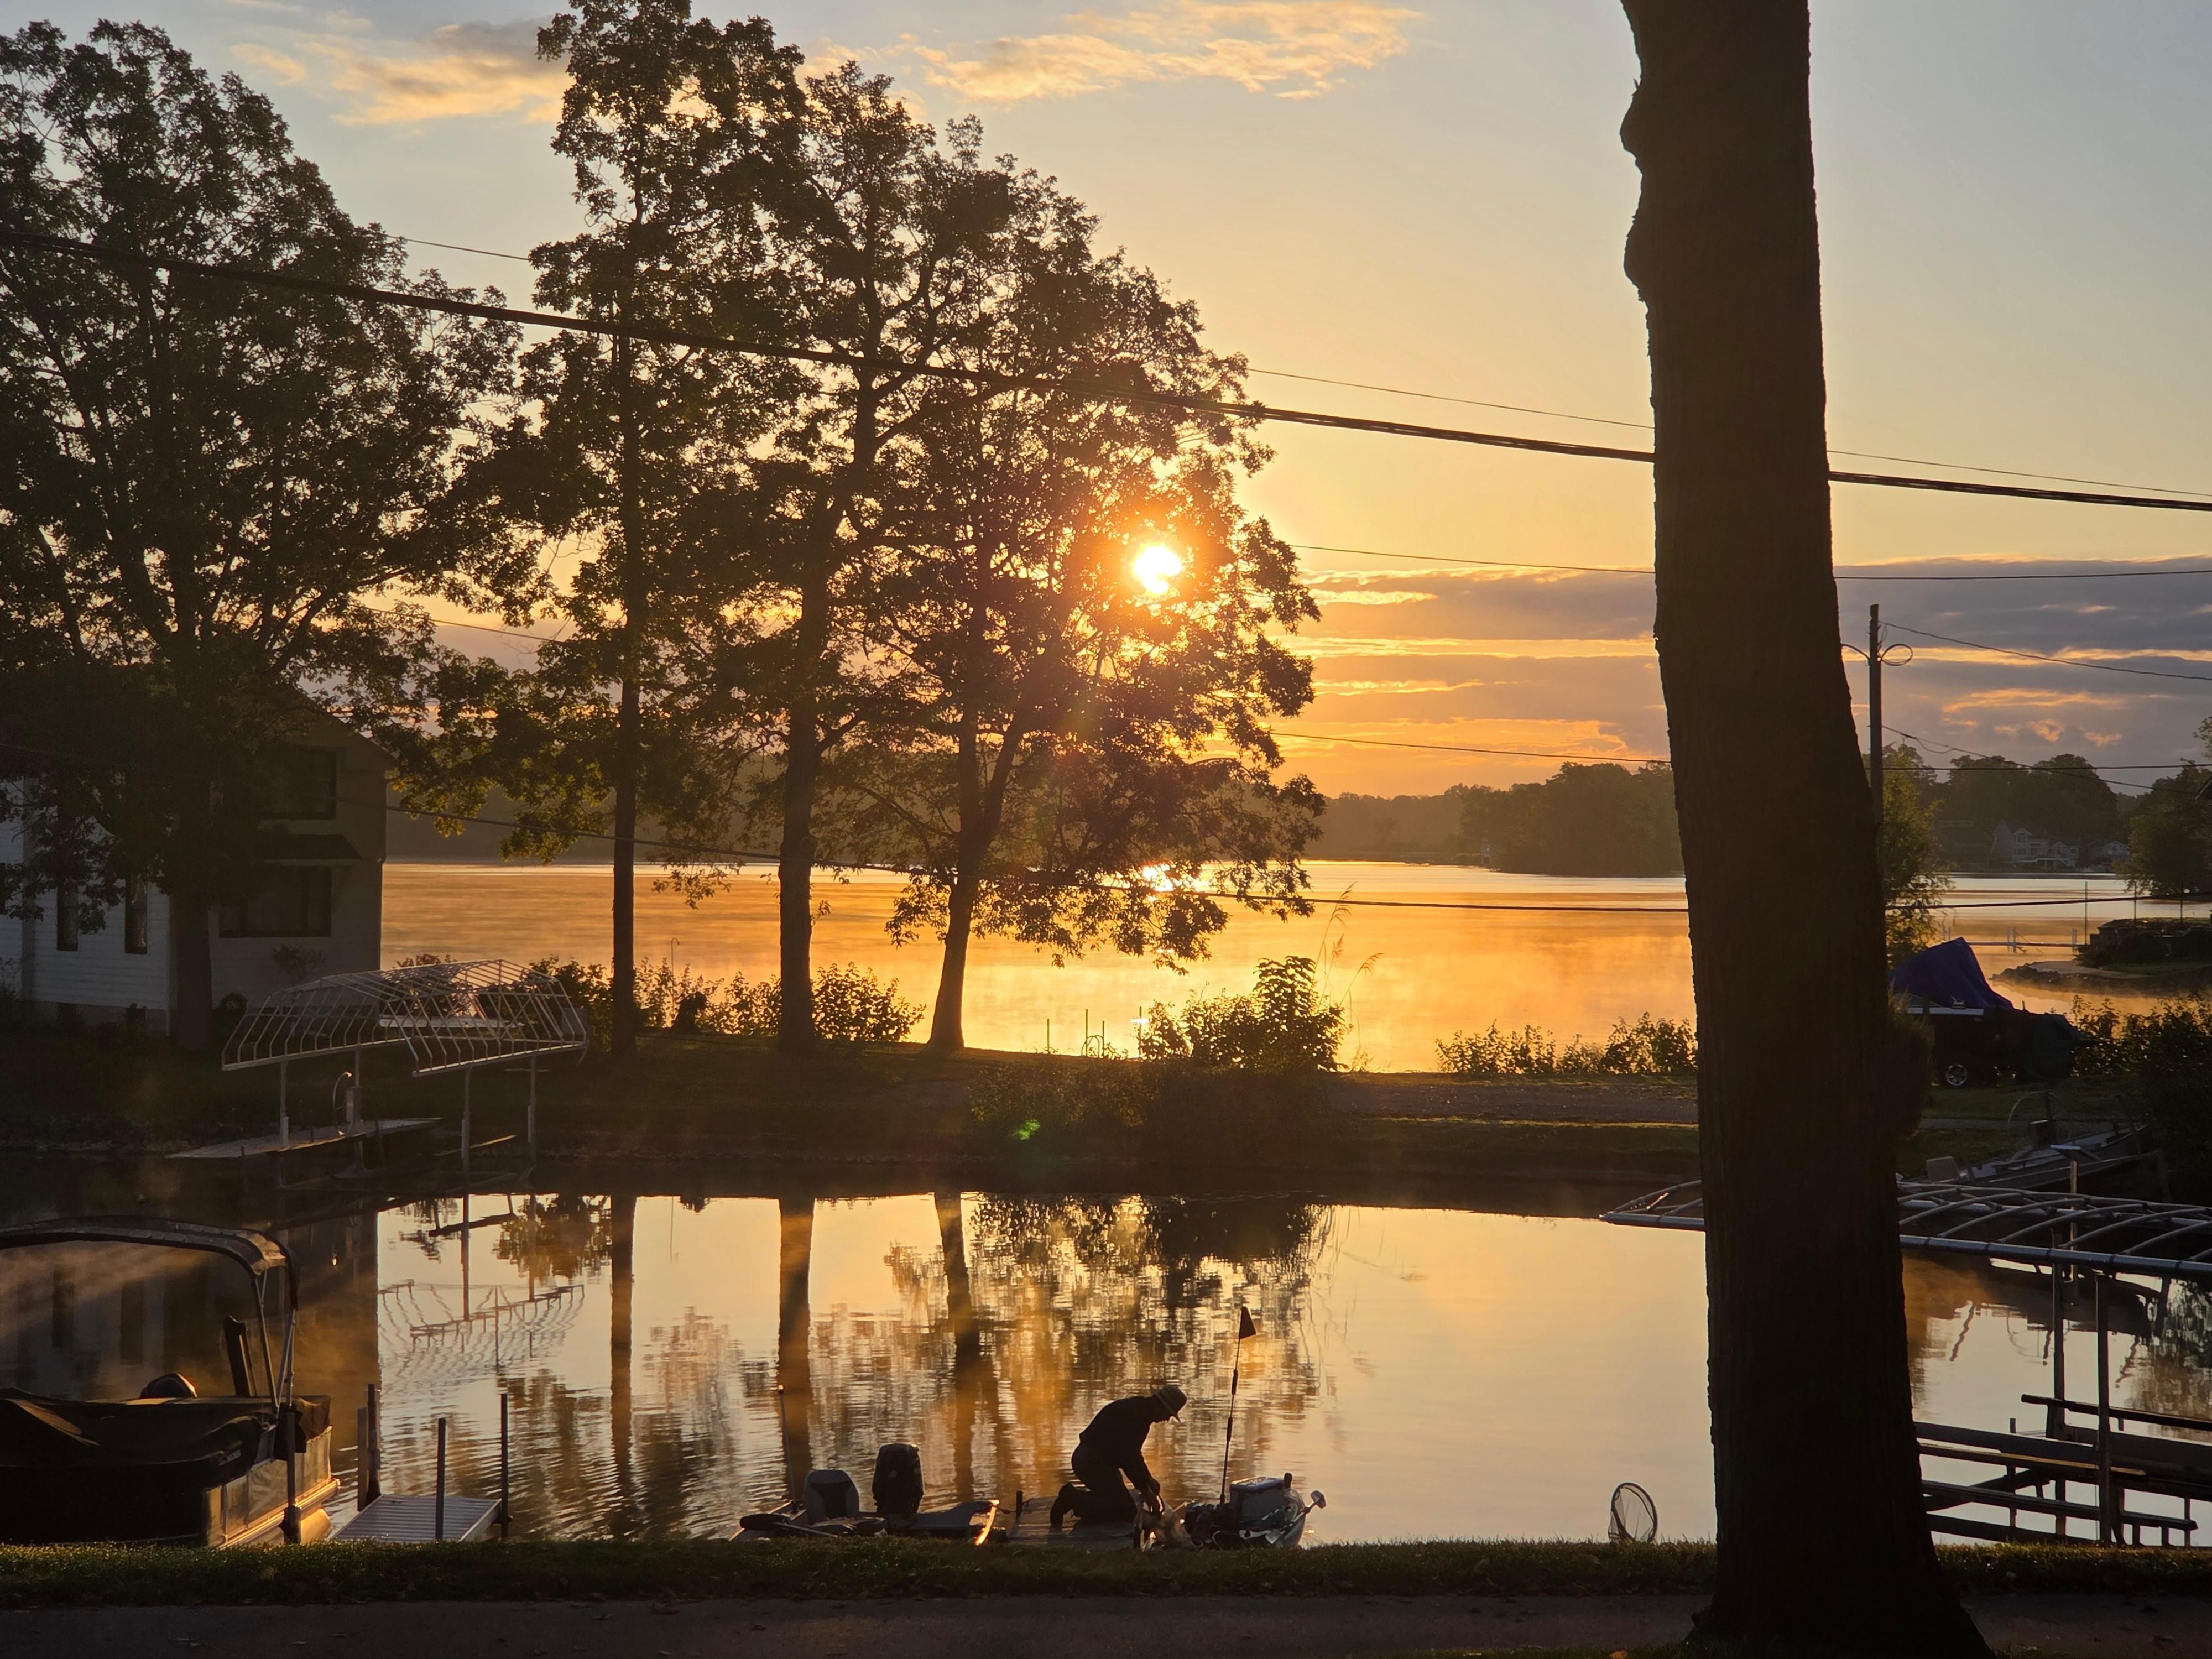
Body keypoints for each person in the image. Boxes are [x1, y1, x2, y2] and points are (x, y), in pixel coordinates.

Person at [1049, 1383, 1186, 1527]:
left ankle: (1084, 1503)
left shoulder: (1140, 1411)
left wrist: (1148, 1479)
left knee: (1119, 1501)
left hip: (1101, 1464)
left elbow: (1134, 1455)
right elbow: (1129, 1459)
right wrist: (1146, 1491)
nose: (1168, 1418)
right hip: (1090, 1463)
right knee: (1125, 1510)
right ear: (1161, 1406)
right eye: (1169, 1413)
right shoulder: (1137, 1417)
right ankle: (1073, 1499)